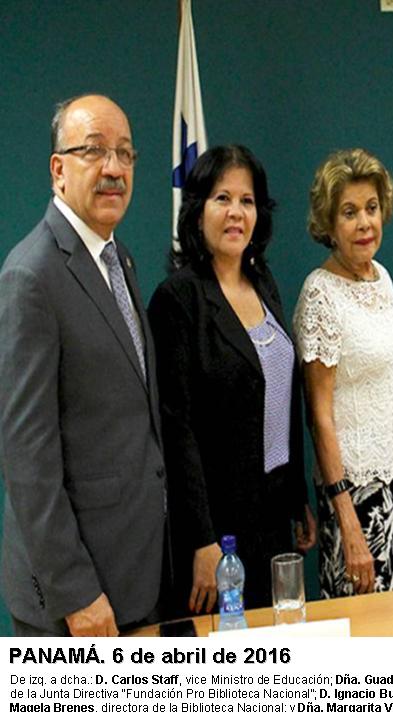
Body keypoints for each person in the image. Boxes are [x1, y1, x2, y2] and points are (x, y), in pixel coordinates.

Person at [0, 95, 166, 636]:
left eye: (125, 153)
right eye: (94, 151)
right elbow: (26, 459)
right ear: (58, 169)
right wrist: (76, 592)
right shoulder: (31, 276)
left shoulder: (120, 259)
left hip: (134, 574)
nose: (114, 168)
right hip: (77, 601)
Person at [148, 145, 316, 614]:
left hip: (273, 514)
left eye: (247, 200)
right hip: (217, 529)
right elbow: (175, 428)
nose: (236, 212)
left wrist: (297, 496)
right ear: (198, 209)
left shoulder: (264, 284)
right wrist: (201, 540)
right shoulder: (177, 298)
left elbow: (282, 396)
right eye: (222, 198)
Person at [295, 148, 393, 597]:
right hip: (360, 499)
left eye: (372, 209)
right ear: (328, 222)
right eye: (350, 212)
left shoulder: (381, 277)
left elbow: (382, 371)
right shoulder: (320, 294)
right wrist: (348, 522)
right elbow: (319, 417)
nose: (364, 224)